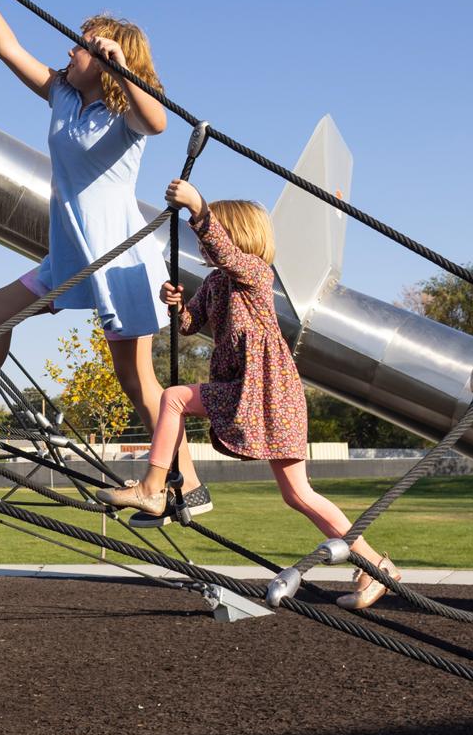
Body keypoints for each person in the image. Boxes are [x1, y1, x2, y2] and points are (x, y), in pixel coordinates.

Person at [0, 0, 198, 502]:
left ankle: (186, 481)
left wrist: (121, 65)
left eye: (81, 44)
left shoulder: (125, 114)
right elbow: (7, 48)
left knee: (139, 385)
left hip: (118, 258)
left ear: (108, 59)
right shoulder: (63, 94)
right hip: (70, 254)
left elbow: (158, 122)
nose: (68, 48)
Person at [98, 178, 400, 609]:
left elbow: (222, 249)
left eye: (216, 229)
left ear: (235, 234)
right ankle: (376, 565)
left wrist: (199, 209)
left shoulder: (256, 274)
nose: (203, 240)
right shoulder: (217, 284)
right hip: (244, 391)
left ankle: (152, 486)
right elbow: (188, 325)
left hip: (269, 394)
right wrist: (176, 305)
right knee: (296, 493)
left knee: (177, 401)